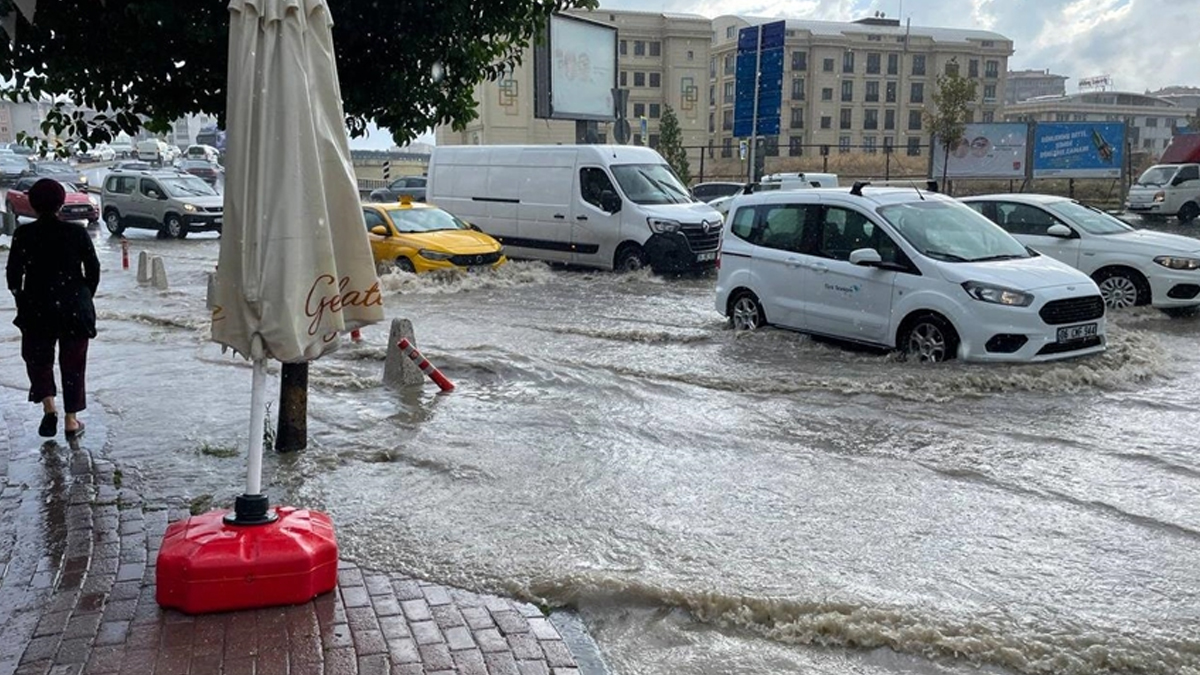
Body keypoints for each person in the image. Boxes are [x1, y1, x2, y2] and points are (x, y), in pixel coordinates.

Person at [5, 178, 100, 440]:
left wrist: (20, 298)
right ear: (61, 203)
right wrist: (83, 296)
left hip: (37, 308)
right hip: (74, 309)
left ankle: (49, 407)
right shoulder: (77, 233)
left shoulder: (24, 234)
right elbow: (93, 270)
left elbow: (13, 273)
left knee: (38, 360)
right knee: (73, 364)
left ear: (33, 205)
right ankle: (71, 421)